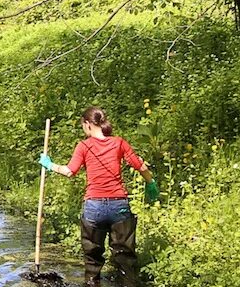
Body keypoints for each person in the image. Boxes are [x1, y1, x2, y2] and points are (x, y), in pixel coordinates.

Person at [38, 107, 159, 278]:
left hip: (94, 207)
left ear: (87, 124)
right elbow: (140, 166)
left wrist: (49, 165)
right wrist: (150, 183)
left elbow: (69, 171)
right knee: (125, 258)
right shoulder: (119, 143)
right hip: (119, 206)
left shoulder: (84, 146)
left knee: (92, 260)